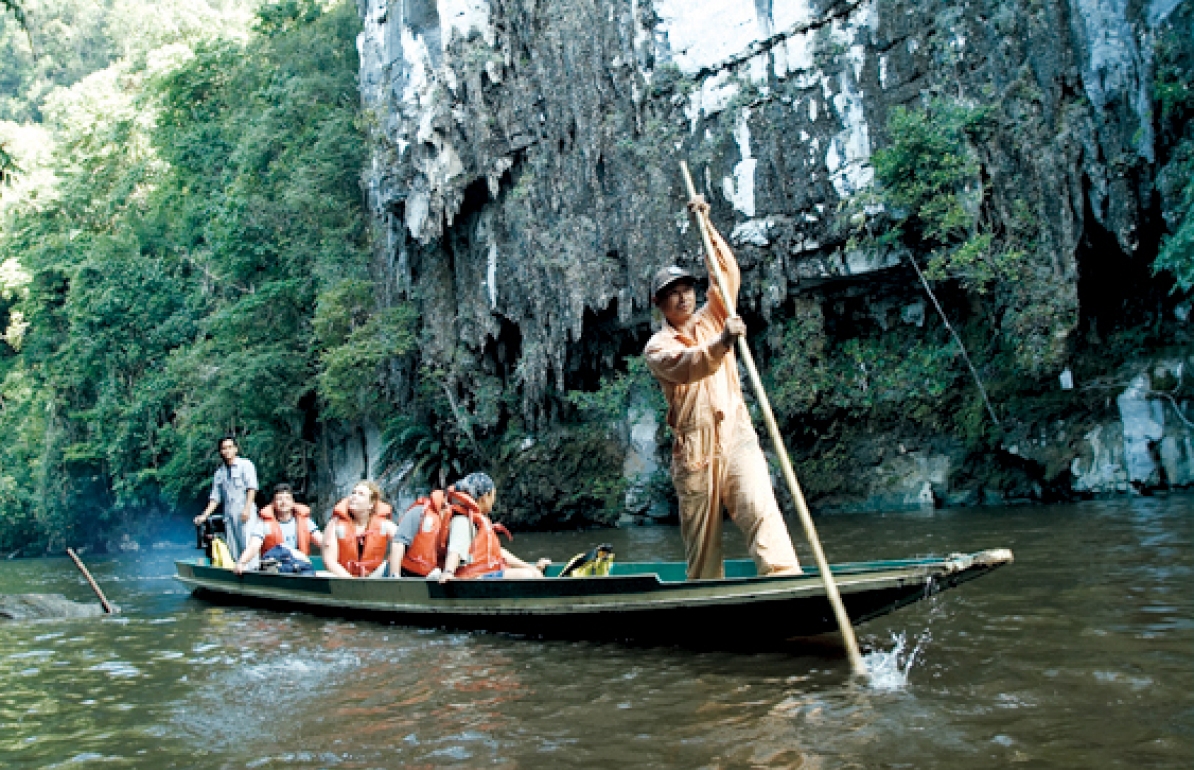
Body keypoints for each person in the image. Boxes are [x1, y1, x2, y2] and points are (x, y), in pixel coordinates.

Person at [643, 195, 803, 580]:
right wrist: (721, 344)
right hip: (695, 451)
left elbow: (725, 274)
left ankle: (782, 578)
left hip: (736, 432)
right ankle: (705, 595)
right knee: (702, 543)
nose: (684, 296)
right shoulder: (658, 347)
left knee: (760, 508)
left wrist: (706, 225)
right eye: (673, 292)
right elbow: (688, 365)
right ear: (660, 303)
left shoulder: (715, 315)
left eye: (687, 288)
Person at [438, 472, 550, 582]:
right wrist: (448, 572)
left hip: (484, 573)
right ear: (485, 496)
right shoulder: (462, 521)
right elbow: (455, 550)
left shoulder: (477, 520)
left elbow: (499, 553)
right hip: (470, 577)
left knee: (533, 573)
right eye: (493, 495)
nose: (494, 500)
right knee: (528, 576)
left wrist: (531, 567)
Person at [233, 483, 324, 575]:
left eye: (287, 498)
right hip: (276, 566)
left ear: (293, 502)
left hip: (300, 564)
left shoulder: (305, 522)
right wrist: (242, 562)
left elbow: (323, 542)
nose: (284, 502)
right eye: (279, 499)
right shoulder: (264, 524)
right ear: (273, 503)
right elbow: (253, 546)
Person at [193, 435, 259, 561]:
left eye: (230, 447)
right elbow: (215, 498)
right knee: (233, 547)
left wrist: (247, 509)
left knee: (248, 545)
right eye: (224, 448)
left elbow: (252, 488)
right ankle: (237, 574)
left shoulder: (245, 465)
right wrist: (204, 516)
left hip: (245, 512)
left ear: (236, 449)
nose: (227, 451)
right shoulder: (220, 473)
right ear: (220, 451)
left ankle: (253, 572)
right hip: (229, 515)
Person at [322, 481, 400, 578]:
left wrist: (392, 563)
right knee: (319, 575)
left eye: (361, 494)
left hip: (374, 578)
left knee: (387, 564)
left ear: (371, 504)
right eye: (353, 493)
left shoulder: (385, 525)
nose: (354, 496)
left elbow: (402, 543)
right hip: (342, 578)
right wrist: (351, 581)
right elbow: (329, 560)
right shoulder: (335, 525)